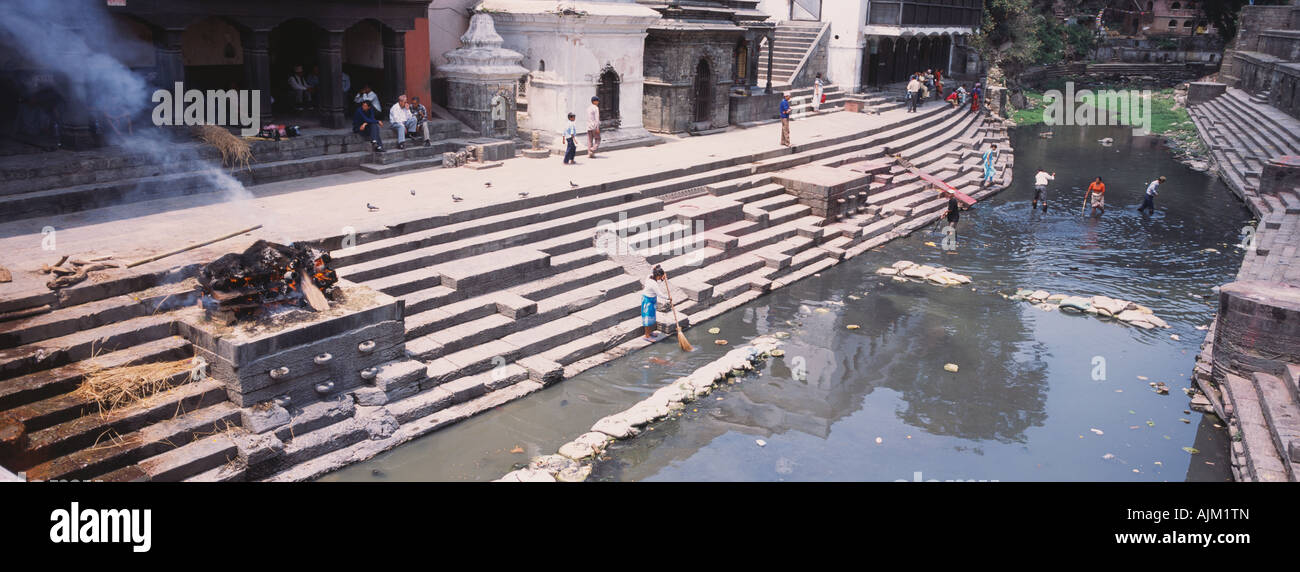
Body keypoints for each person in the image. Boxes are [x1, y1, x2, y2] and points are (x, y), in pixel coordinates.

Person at [641, 265, 670, 341]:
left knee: (651, 317)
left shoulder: (650, 276)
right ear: (658, 276)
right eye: (660, 277)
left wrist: (662, 278)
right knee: (647, 318)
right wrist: (668, 298)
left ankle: (650, 332)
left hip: (651, 300)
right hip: (647, 301)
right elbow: (659, 294)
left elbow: (653, 271)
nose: (660, 279)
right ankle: (647, 336)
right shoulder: (653, 284)